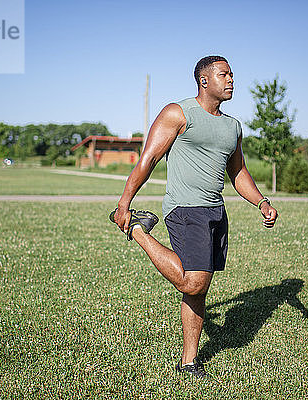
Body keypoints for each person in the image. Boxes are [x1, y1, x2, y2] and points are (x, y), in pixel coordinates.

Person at [110, 55, 278, 378]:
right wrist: (124, 202)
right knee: (194, 280)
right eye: (224, 74)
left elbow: (238, 172)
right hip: (184, 208)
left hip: (216, 212)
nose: (231, 80)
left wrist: (261, 202)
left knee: (197, 291)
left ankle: (189, 362)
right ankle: (139, 231)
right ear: (204, 81)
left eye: (232, 75)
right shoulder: (178, 113)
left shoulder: (233, 127)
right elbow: (148, 159)